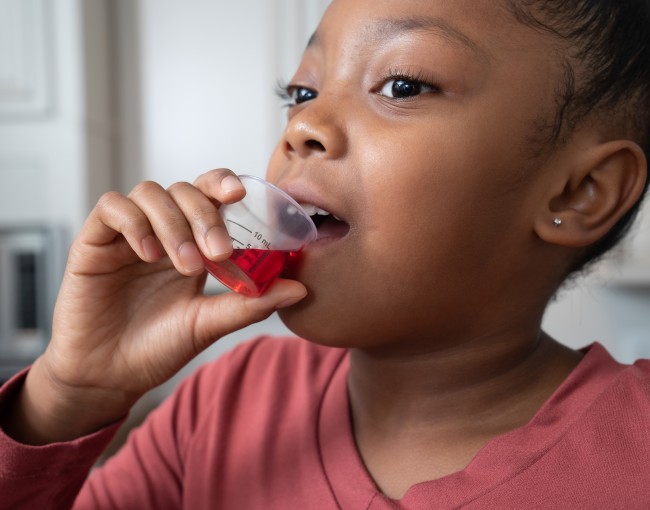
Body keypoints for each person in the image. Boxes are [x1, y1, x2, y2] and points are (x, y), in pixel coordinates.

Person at [1, 0, 649, 508]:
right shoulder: (221, 409)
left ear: (579, 192)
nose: (301, 128)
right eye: (302, 94)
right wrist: (71, 394)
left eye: (401, 85)